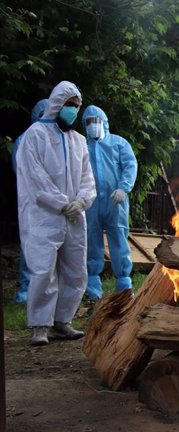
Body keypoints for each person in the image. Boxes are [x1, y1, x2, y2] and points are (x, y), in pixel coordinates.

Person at [15, 81, 96, 346]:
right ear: (56, 104)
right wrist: (62, 203)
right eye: (69, 105)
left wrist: (82, 202)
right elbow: (35, 178)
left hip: (74, 215)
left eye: (76, 106)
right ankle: (40, 325)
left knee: (75, 270)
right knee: (43, 269)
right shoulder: (35, 135)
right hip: (44, 216)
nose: (73, 110)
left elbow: (87, 178)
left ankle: (63, 321)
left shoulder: (79, 141)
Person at [81, 105, 138, 300]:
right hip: (91, 203)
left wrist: (124, 187)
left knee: (119, 240)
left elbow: (130, 165)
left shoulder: (118, 143)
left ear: (103, 122)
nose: (92, 125)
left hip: (116, 202)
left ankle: (124, 285)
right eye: (88, 122)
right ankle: (92, 288)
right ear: (84, 125)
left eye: (95, 121)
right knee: (91, 240)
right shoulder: (81, 146)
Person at [11, 98, 49, 303]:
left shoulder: (59, 139)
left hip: (55, 206)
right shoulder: (24, 139)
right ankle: (27, 288)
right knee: (30, 244)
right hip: (32, 203)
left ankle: (48, 293)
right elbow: (22, 171)